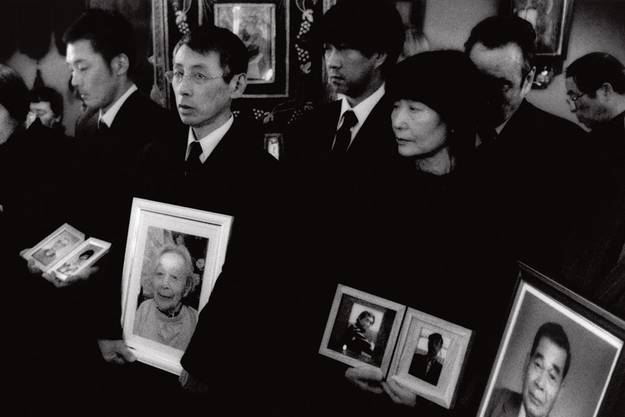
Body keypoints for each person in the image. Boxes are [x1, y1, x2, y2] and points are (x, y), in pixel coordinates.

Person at [132, 25, 287, 416]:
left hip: (217, 365)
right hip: (146, 350)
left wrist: (204, 358)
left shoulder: (264, 176)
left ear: (237, 84)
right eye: (178, 73)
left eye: (200, 76)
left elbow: (252, 278)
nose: (183, 88)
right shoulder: (154, 155)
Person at [464, 16, 592, 276]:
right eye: (474, 80)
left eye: (500, 85)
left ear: (528, 79)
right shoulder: (445, 128)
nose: (481, 95)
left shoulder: (568, 148)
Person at [559, 52, 625, 315]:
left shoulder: (607, 144)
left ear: (605, 91)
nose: (572, 107)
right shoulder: (600, 138)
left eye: (575, 96)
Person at [485, 322, 571, 417]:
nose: (540, 384)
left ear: (559, 392)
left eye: (552, 376)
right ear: (526, 365)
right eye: (538, 365)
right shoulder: (492, 400)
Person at [133, 245, 199, 350]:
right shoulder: (143, 310)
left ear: (186, 287)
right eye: (160, 274)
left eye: (174, 277)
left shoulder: (195, 320)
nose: (164, 284)